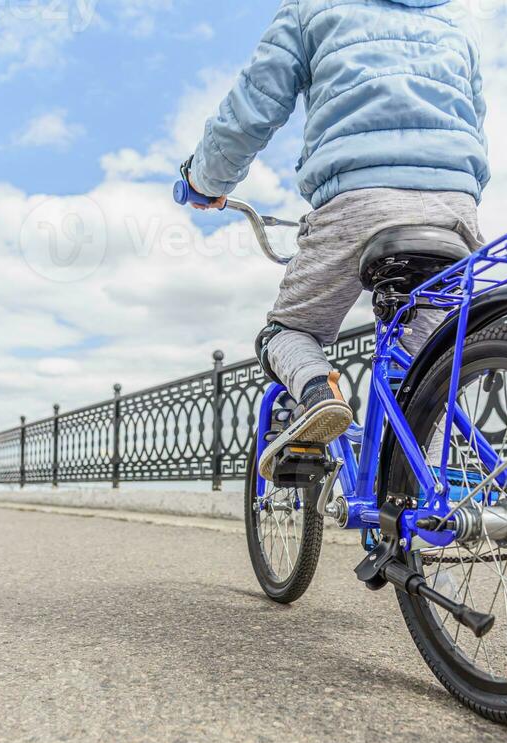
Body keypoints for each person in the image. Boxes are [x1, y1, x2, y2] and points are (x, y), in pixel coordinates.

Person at [185, 0, 489, 478]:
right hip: (455, 209)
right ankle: (431, 506)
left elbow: (251, 109)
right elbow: (474, 123)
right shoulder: (456, 24)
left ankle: (316, 393)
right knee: (427, 366)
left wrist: (205, 181)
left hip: (357, 199)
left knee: (288, 333)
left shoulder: (310, 9)